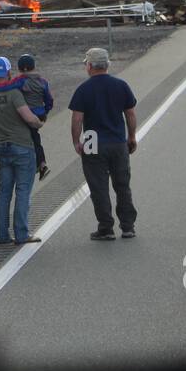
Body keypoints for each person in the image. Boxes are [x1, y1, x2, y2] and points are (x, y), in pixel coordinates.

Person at [69, 47, 139, 241]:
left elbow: (77, 119)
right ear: (107, 64)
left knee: (98, 187)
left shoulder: (84, 89)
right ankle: (127, 226)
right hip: (117, 141)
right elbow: (130, 114)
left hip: (92, 141)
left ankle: (106, 227)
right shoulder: (121, 85)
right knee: (122, 185)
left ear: (89, 66)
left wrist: (76, 141)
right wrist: (131, 136)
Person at [0, 56, 43, 244]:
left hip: (2, 147)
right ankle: (22, 234)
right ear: (8, 73)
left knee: (4, 192)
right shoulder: (14, 94)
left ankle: (2, 234)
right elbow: (29, 118)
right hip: (22, 146)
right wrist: (39, 122)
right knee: (23, 190)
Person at [15, 54, 53, 180]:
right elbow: (49, 100)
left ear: (21, 68)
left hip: (27, 115)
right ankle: (40, 164)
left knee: (30, 138)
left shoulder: (19, 81)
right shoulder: (43, 81)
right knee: (34, 137)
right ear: (33, 66)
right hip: (40, 113)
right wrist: (45, 112)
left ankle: (38, 165)